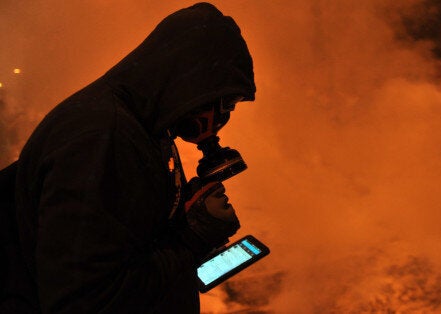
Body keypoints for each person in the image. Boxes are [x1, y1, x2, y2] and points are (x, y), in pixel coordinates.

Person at [2, 3, 256, 313]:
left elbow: (127, 241)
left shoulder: (144, 126)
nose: (223, 118)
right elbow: (86, 300)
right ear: (194, 82)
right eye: (226, 103)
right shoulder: (102, 139)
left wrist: (182, 214)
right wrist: (193, 236)